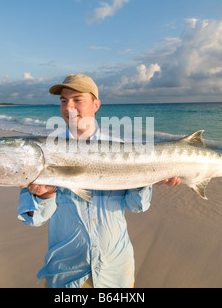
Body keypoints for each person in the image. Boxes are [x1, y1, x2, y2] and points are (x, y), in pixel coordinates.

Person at [17, 74, 180, 288]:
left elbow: (137, 206)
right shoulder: (43, 152)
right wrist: (46, 194)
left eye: (77, 100)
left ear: (96, 104)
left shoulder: (123, 150)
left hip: (116, 272)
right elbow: (33, 219)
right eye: (63, 101)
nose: (69, 107)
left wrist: (147, 177)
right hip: (67, 275)